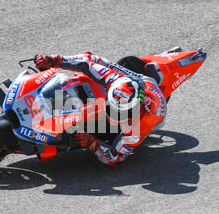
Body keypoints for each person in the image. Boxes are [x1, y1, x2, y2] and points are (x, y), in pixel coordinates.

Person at [35, 52, 167, 166]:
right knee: (95, 62)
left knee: (103, 131)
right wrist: (54, 59)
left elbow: (116, 157)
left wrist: (92, 144)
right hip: (137, 81)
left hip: (150, 107)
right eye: (114, 108)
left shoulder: (142, 124)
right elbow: (86, 62)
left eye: (120, 112)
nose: (114, 114)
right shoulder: (114, 79)